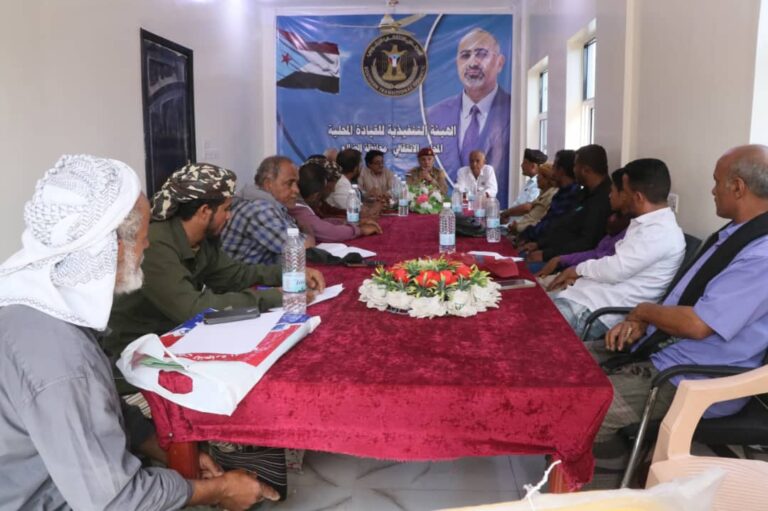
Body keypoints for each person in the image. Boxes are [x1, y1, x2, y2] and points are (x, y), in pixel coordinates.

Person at [0, 154, 277, 510]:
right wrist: (219, 490)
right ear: (111, 245)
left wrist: (163, 447)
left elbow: (99, 408)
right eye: (144, 236)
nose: (147, 245)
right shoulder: (61, 358)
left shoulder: (37, 306)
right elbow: (117, 501)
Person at [106, 162, 325, 499]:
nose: (229, 216)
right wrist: (278, 298)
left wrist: (288, 275)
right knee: (237, 389)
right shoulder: (159, 246)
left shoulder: (201, 240)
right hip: (134, 361)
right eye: (225, 209)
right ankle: (219, 482)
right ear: (204, 211)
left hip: (176, 344)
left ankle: (245, 472)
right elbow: (193, 308)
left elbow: (234, 274)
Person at [590, 145, 768, 470]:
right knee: (569, 361)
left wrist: (643, 312)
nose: (712, 190)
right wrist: (644, 322)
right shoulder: (734, 234)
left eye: (717, 182)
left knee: (580, 407)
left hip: (692, 378)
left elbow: (698, 324)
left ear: (738, 187)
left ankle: (610, 477)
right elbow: (682, 301)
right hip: (663, 349)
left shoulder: (761, 255)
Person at [547, 160, 685, 339]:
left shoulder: (660, 233)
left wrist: (578, 270)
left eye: (625, 192)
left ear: (638, 197)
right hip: (585, 298)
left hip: (594, 312)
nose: (621, 197)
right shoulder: (646, 224)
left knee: (525, 329)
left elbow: (614, 270)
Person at [427, 28, 511, 201]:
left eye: (481, 54)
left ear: (500, 63)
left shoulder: (513, 110)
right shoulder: (434, 115)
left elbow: (493, 189)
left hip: (495, 209)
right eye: (465, 55)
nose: (472, 63)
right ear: (457, 63)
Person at [535, 168, 631, 278]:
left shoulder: (627, 227)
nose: (609, 195)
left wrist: (575, 271)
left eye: (612, 191)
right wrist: (560, 259)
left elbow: (604, 262)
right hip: (576, 265)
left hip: (587, 275)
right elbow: (596, 253)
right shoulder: (615, 220)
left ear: (624, 195)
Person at [523, 144, 612, 262]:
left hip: (573, 261)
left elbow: (586, 243)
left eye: (575, 166)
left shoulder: (603, 200)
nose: (573, 170)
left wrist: (546, 254)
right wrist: (539, 244)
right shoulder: (584, 193)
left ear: (586, 170)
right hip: (553, 250)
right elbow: (564, 225)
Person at [222, 156, 315, 265]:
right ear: (268, 184)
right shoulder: (259, 209)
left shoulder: (268, 203)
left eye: (296, 183)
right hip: (242, 276)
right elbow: (304, 248)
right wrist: (308, 231)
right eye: (289, 183)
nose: (296, 190)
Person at [290, 160, 383, 242]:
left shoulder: (301, 204)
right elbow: (328, 232)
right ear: (315, 195)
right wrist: (360, 230)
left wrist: (355, 223)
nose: (333, 190)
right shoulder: (297, 208)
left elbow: (322, 222)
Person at [516, 149, 581, 244]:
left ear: (561, 171)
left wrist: (535, 244)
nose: (552, 172)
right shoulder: (561, 193)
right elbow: (546, 222)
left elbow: (553, 229)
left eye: (554, 166)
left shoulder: (571, 197)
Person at [508, 162, 557, 234]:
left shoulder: (551, 196)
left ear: (547, 179)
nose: (537, 177)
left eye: (539, 175)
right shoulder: (542, 193)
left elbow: (540, 222)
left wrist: (518, 227)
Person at [501, 148, 547, 222]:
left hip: (522, 226)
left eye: (525, 163)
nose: (522, 165)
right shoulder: (529, 183)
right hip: (511, 223)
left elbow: (527, 208)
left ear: (533, 166)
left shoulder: (538, 184)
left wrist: (506, 213)